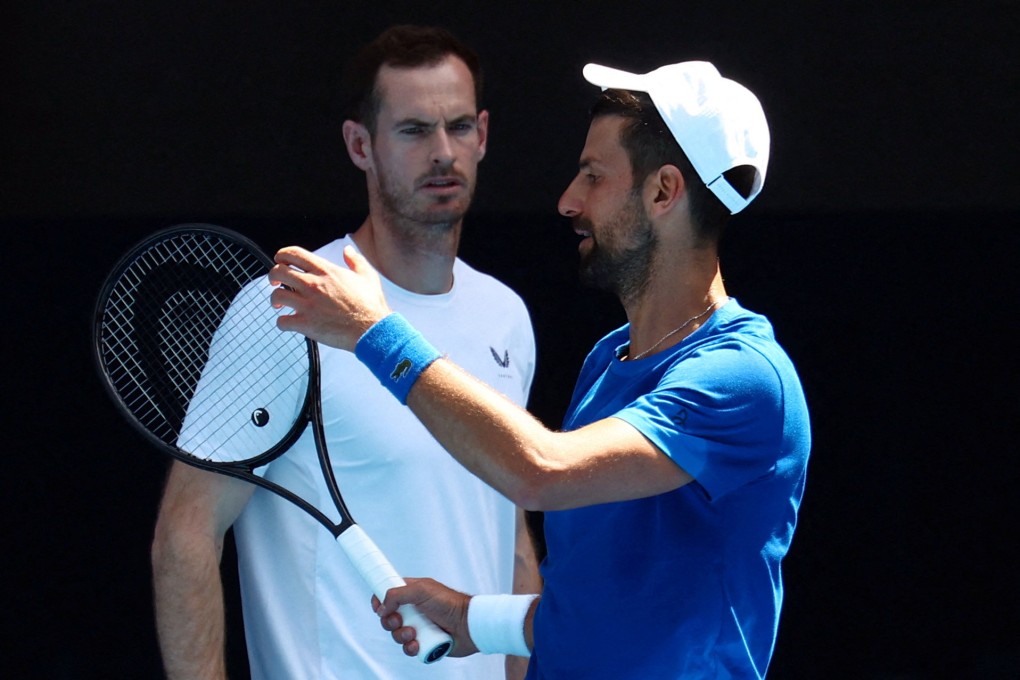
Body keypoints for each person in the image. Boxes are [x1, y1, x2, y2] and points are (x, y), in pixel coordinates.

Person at [269, 60, 811, 678]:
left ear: (663, 191)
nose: (567, 201)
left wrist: (374, 330)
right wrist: (473, 619)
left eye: (593, 175)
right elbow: (607, 603)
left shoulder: (744, 377)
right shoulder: (609, 361)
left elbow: (541, 471)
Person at [150, 25, 540, 680]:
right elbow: (185, 538)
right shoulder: (289, 306)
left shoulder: (507, 316)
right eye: (414, 130)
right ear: (361, 145)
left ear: (484, 134)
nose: (443, 152)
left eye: (459, 126)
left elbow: (508, 534)